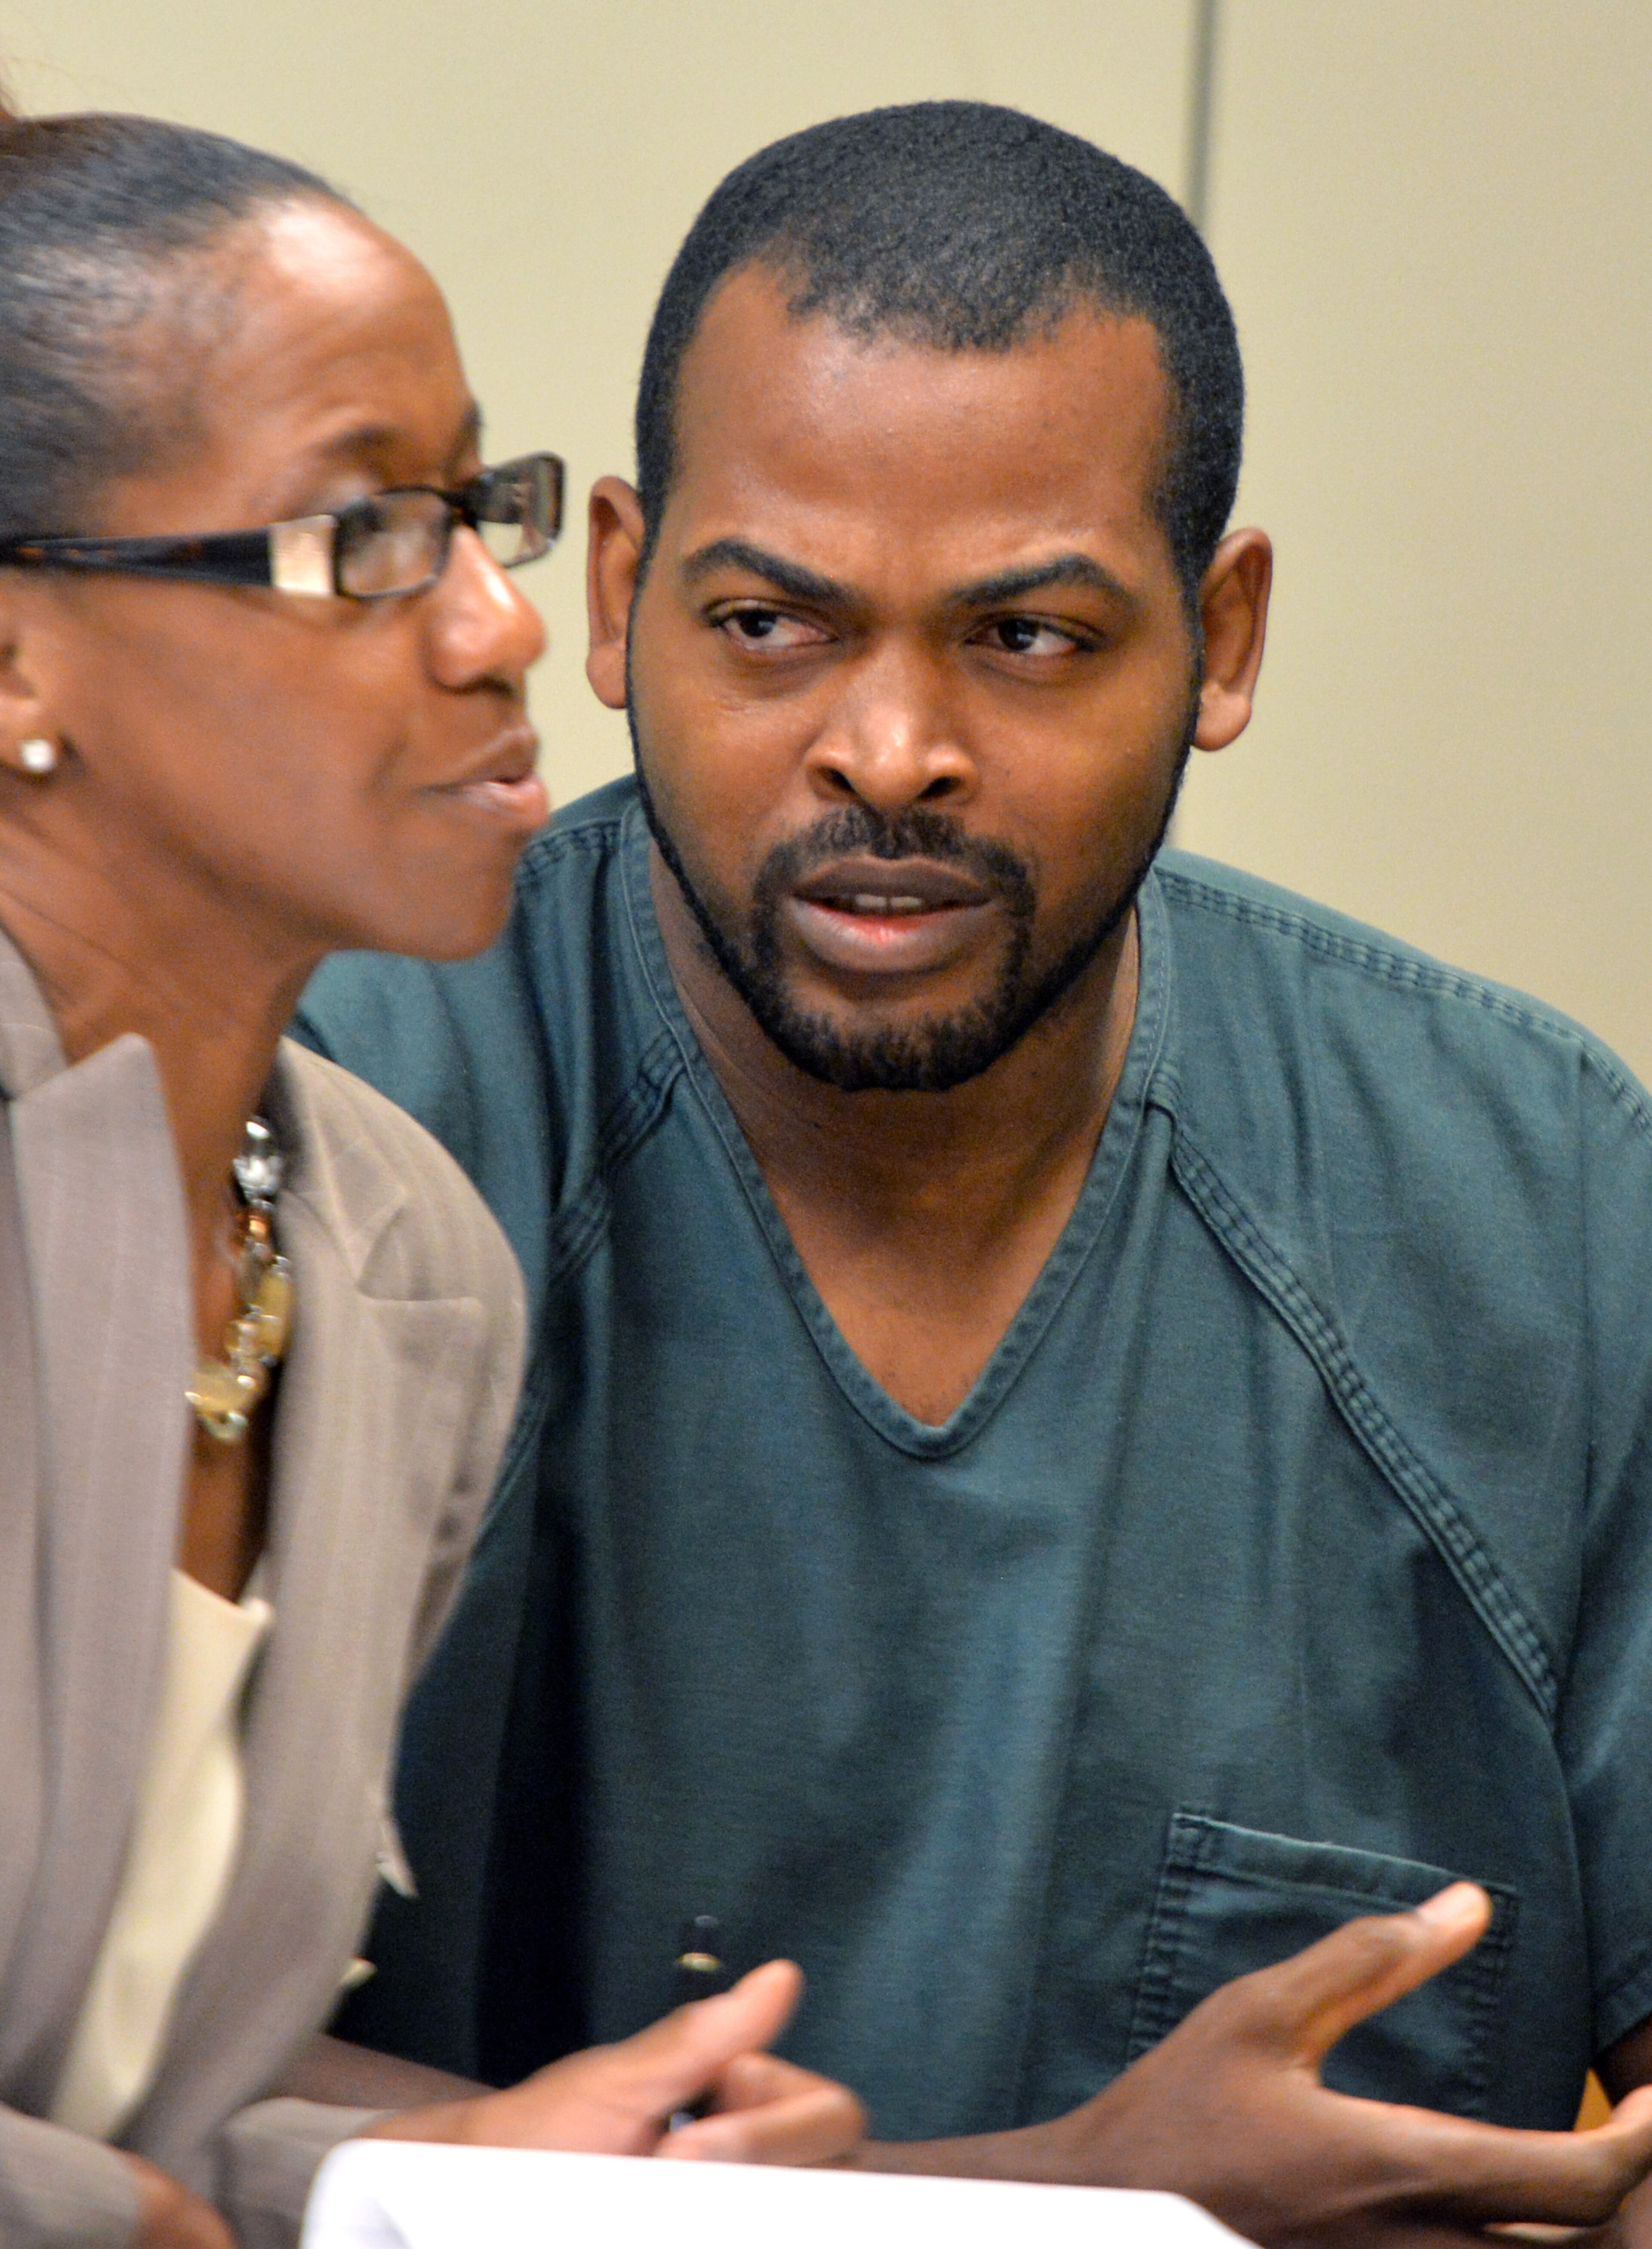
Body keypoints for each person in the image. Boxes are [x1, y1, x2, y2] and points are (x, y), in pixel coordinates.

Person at [298, 100, 1652, 2243]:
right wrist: (1068, 2197)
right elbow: (97, 2084)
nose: (890, 751)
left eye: (1026, 639)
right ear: (623, 590)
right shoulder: (331, 1121)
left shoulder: (1539, 1204)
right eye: (773, 622)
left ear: (1222, 635)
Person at [0, 105, 865, 2249]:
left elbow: (135, 2105)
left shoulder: (409, 1269)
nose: (498, 626)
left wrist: (445, 2168)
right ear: (19, 656)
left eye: (477, 511)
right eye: (363, 536)